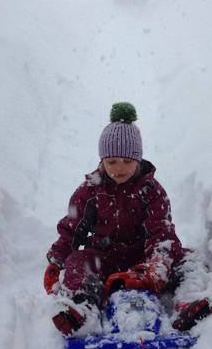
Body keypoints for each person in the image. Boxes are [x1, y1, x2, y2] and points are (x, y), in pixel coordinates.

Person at [44, 102, 191, 336]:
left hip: (144, 261)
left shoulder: (151, 192)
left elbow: (162, 236)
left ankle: (189, 303)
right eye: (111, 162)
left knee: (188, 259)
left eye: (127, 162)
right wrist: (57, 261)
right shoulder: (90, 191)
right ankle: (82, 310)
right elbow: (71, 230)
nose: (119, 169)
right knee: (79, 262)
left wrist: (152, 270)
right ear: (101, 160)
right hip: (106, 260)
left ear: (139, 160)